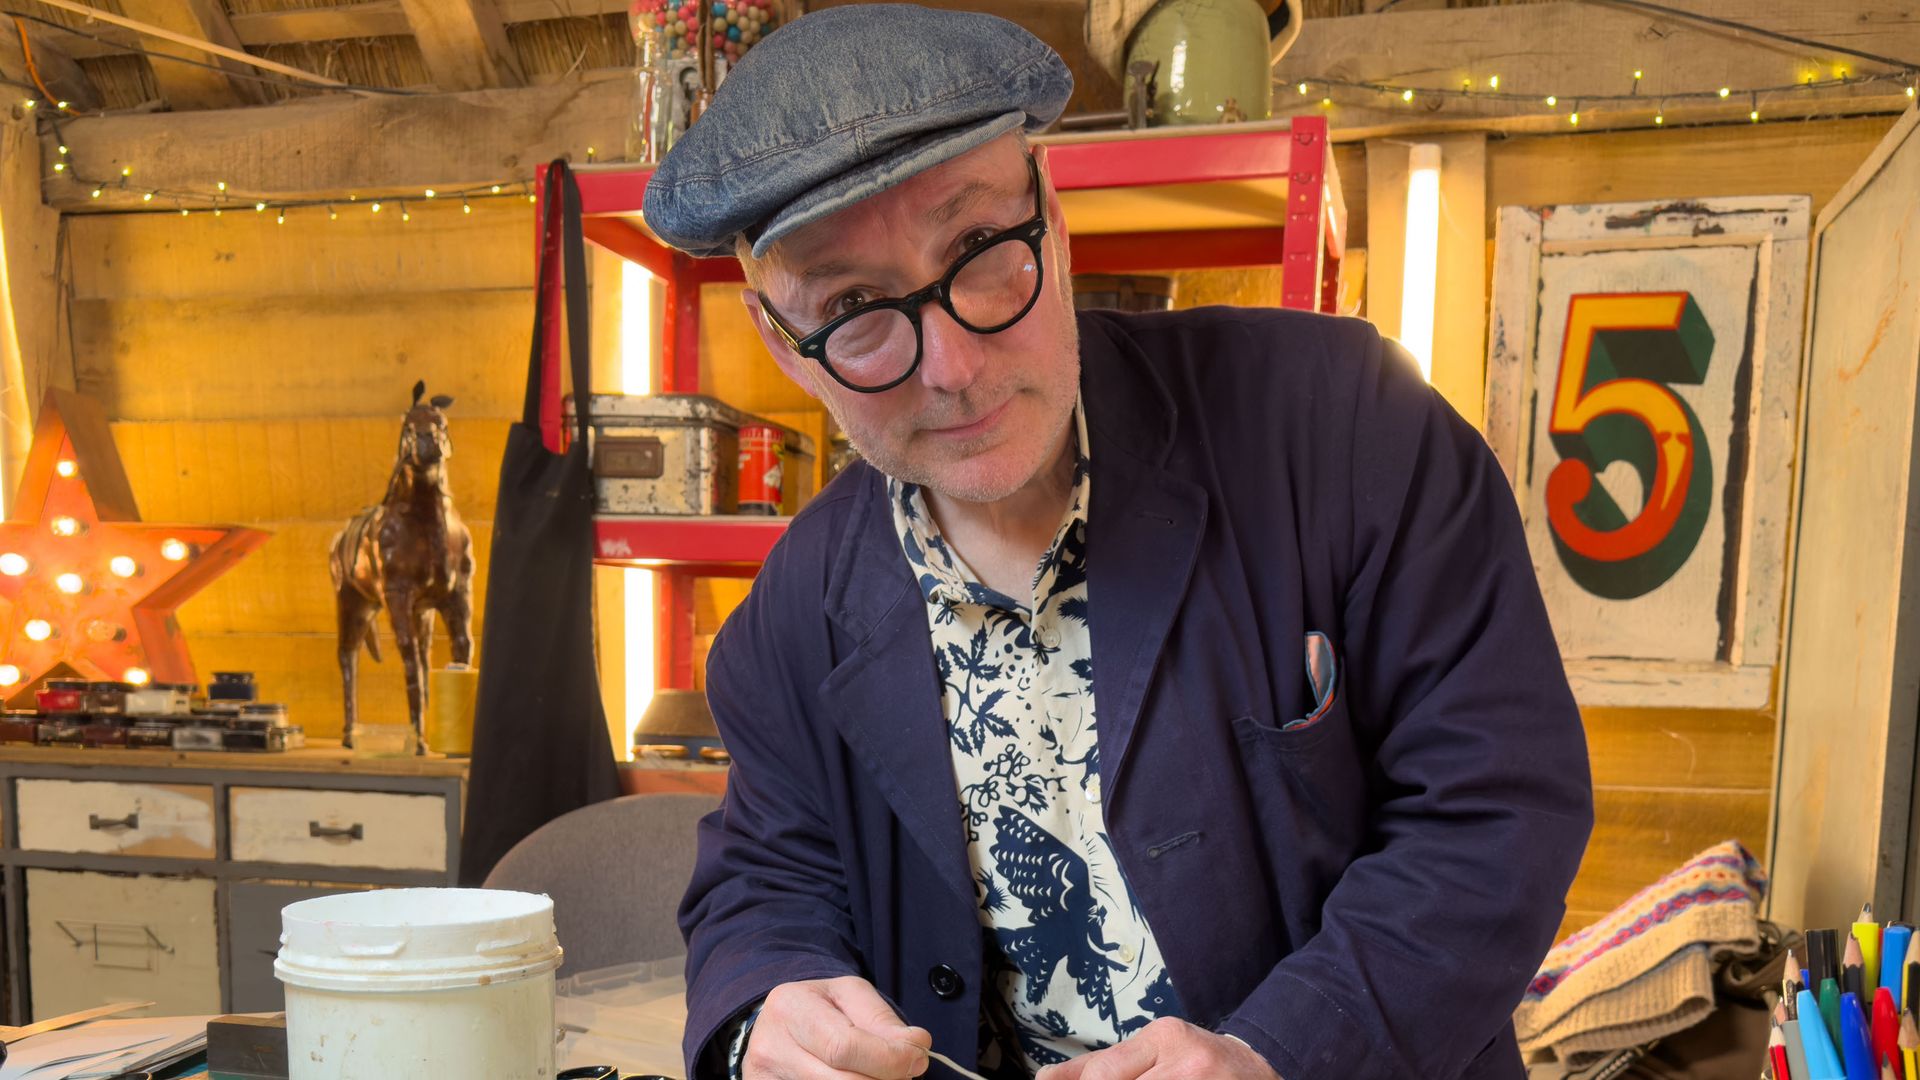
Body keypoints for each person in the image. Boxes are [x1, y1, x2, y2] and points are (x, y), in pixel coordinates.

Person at [641, 6, 1594, 1079]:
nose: (951, 365)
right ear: (782, 339)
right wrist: (762, 1006)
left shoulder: (1352, 426)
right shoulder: (785, 623)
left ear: (1052, 214)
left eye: (978, 249)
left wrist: (1278, 1054)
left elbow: (1495, 811)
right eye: (855, 305)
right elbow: (764, 882)